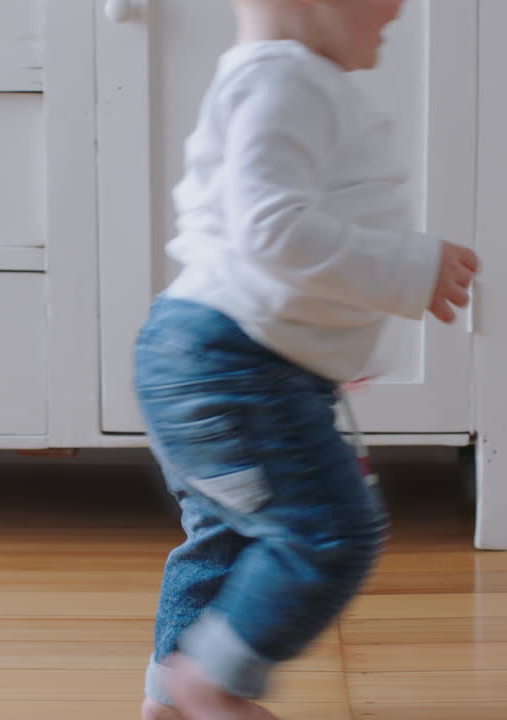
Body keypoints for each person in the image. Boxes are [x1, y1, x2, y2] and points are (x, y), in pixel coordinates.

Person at [135, 1, 479, 718]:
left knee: (230, 537)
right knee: (331, 531)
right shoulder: (286, 81)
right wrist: (410, 267)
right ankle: (214, 685)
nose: (399, 7)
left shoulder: (274, 79)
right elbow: (273, 230)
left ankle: (174, 697)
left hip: (207, 350)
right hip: (238, 361)